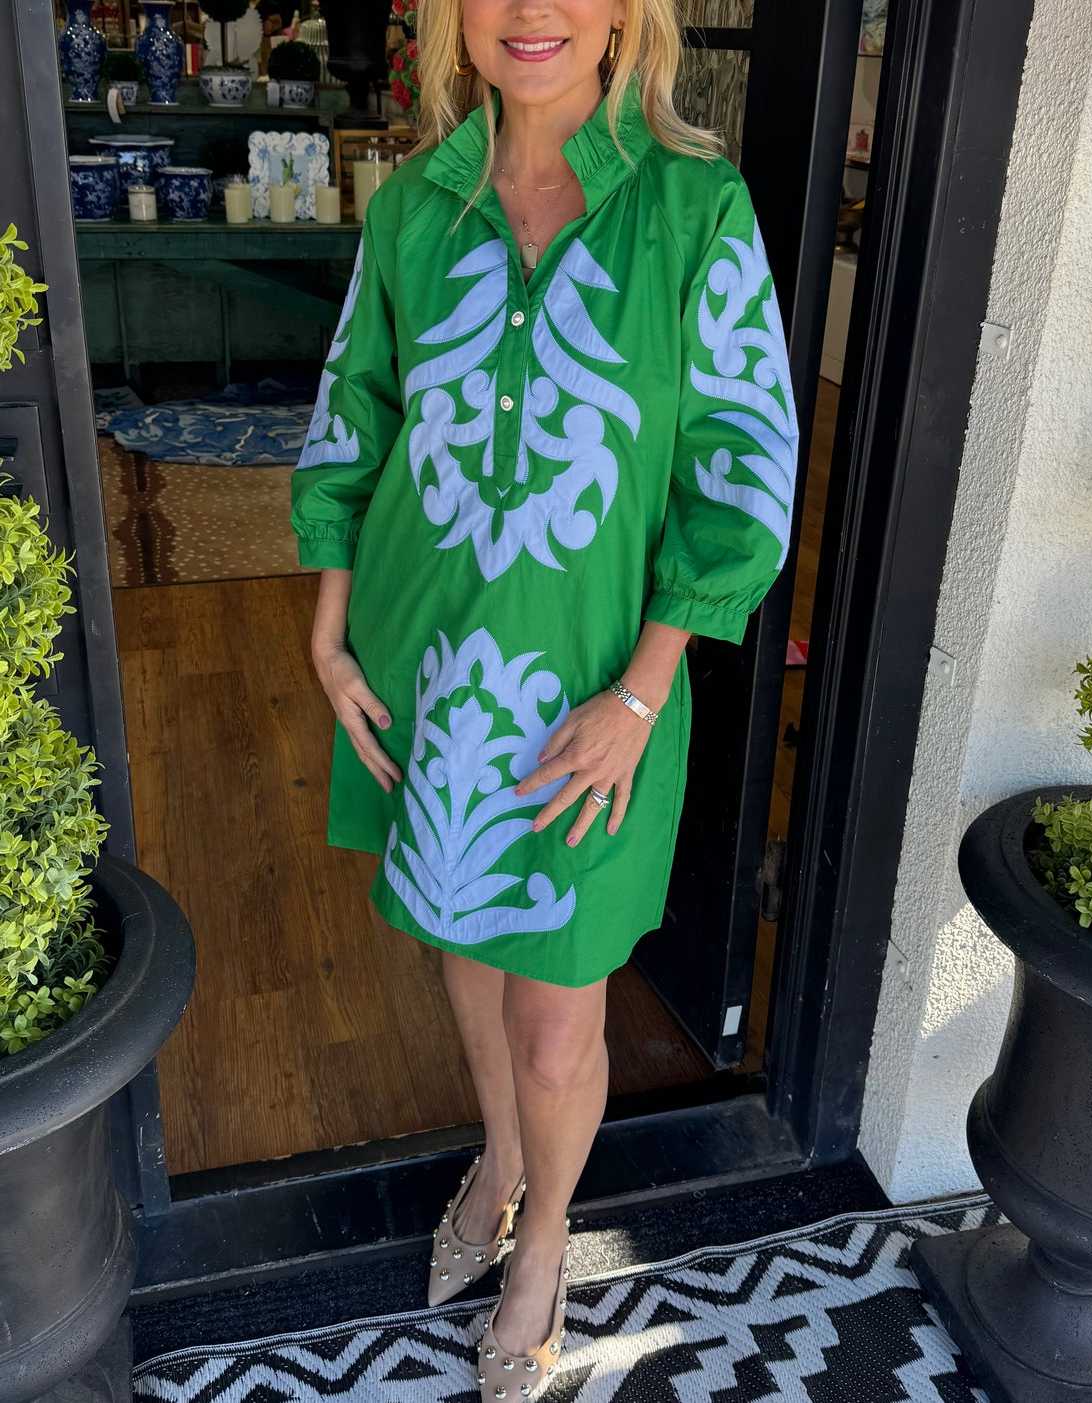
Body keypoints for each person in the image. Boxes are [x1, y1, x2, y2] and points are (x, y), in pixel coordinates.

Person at [289, 0, 799, 1391]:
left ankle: (547, 1235)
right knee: (462, 927)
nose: (531, 13)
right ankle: (500, 1157)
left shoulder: (692, 209)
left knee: (561, 1002)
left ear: (627, 14)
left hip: (596, 680)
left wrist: (641, 693)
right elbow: (355, 411)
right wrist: (329, 633)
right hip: (425, 659)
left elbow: (743, 462)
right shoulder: (414, 207)